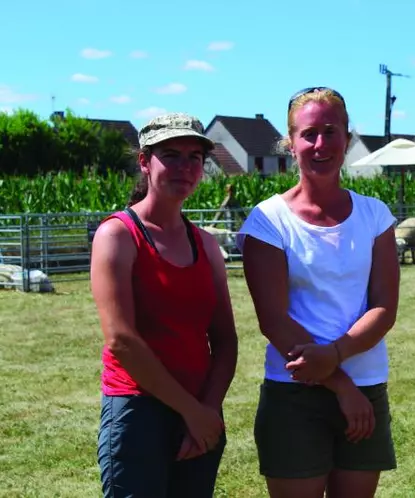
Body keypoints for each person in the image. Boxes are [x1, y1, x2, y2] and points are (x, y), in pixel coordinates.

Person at [236, 87, 400, 498]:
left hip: (366, 387)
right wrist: (340, 384)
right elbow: (273, 320)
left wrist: (338, 356)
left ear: (347, 137)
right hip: (295, 393)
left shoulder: (375, 215)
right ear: (291, 143)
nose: (320, 144)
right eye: (309, 134)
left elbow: (384, 306)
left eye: (331, 131)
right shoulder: (267, 221)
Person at [90, 113, 239, 497]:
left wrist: (208, 410)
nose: (185, 167)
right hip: (139, 412)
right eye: (170, 155)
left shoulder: (205, 245)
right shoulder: (118, 235)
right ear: (144, 161)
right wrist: (193, 411)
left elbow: (225, 340)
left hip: (201, 412)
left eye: (194, 157)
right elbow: (121, 339)